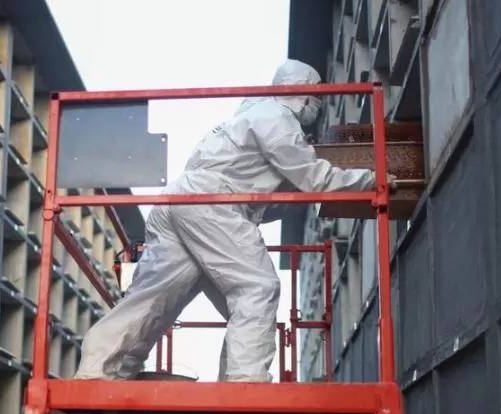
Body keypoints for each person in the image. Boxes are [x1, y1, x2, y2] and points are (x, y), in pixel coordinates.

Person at [75, 59, 395, 382]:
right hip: (212, 204)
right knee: (257, 288)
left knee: (156, 295)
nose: (317, 109)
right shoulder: (277, 119)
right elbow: (317, 179)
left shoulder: (247, 117)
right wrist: (372, 180)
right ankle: (245, 382)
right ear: (304, 94)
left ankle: (99, 368)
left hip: (181, 202)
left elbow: (258, 201)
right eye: (316, 100)